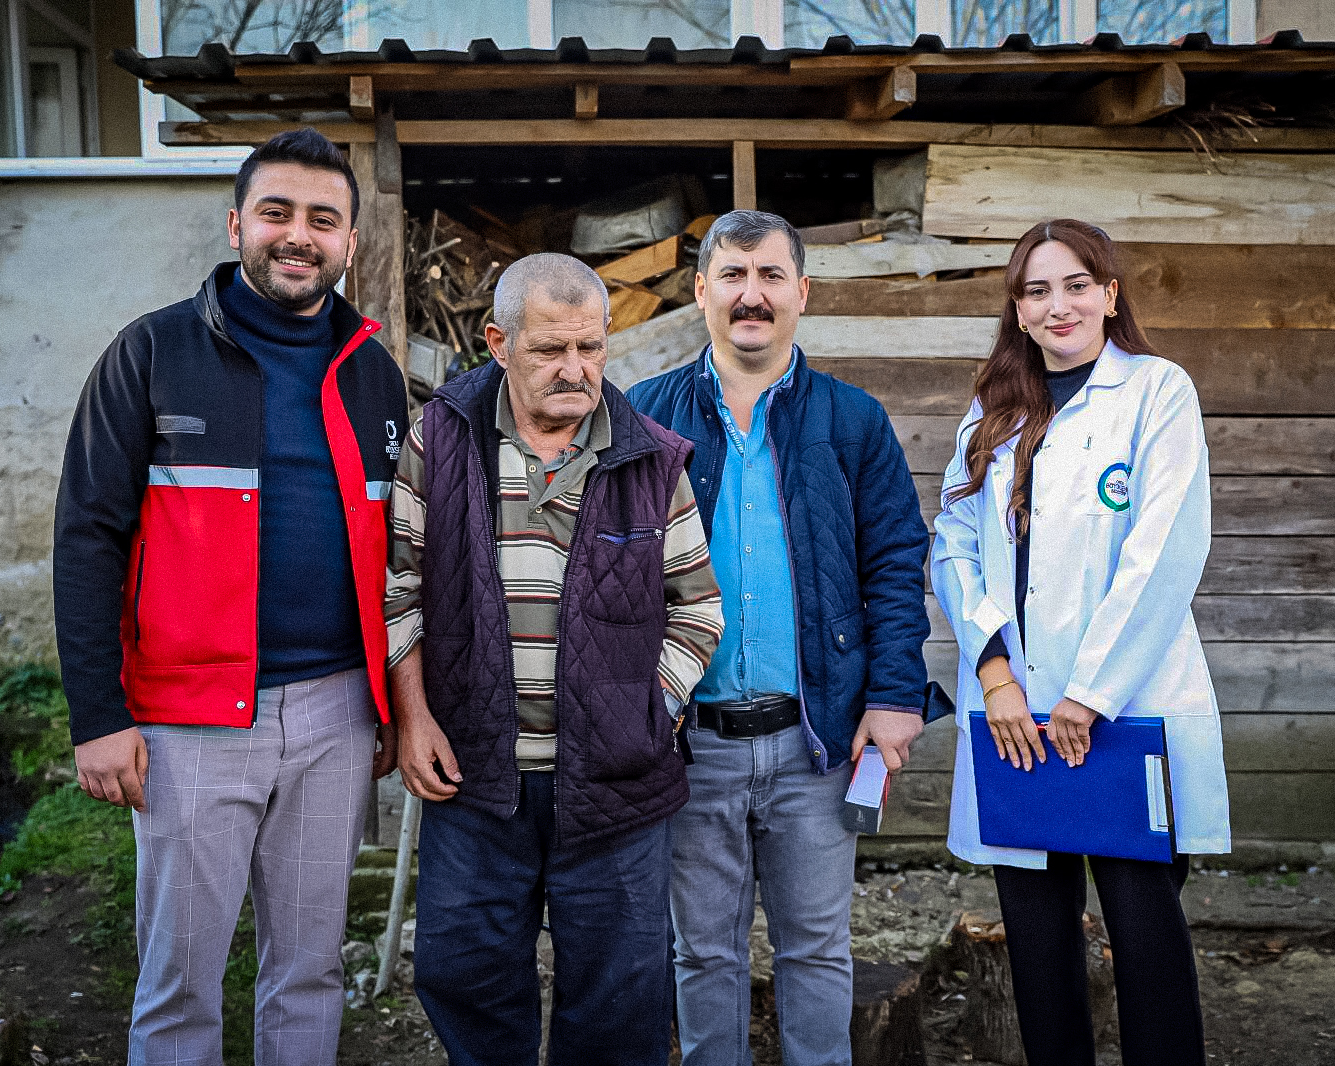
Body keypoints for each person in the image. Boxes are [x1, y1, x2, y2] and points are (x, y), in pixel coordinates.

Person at [52, 128, 407, 1065]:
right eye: (277, 212)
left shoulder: (373, 371)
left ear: (350, 242)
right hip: (189, 720)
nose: (299, 236)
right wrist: (98, 717)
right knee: (179, 984)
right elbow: (86, 538)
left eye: (323, 220)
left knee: (310, 971)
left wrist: (391, 705)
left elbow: (400, 557)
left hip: (336, 714)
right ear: (236, 223)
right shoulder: (153, 352)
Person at [385, 252, 724, 1066]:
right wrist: (414, 718)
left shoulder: (651, 458)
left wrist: (649, 711)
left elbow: (698, 609)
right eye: (550, 350)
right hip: (473, 776)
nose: (575, 369)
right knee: (466, 978)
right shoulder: (442, 438)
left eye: (590, 347)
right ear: (499, 343)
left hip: (615, 784)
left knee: (618, 1004)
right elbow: (399, 589)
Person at [629, 210, 932, 1066]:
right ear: (701, 292)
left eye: (770, 276)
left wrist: (894, 693)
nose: (751, 295)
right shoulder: (645, 417)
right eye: (733, 276)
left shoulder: (852, 420)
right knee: (703, 954)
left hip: (817, 742)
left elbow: (895, 561)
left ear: (803, 292)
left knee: (817, 952)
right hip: (691, 744)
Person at [932, 219, 1231, 1066]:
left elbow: (1164, 551)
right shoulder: (993, 410)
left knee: (1146, 937)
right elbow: (953, 544)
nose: (1056, 305)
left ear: (1109, 293)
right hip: (1016, 718)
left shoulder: (1156, 392)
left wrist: (1089, 694)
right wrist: (996, 675)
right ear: (1018, 310)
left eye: (1075, 285)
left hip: (1123, 710)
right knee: (1037, 946)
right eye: (1036, 291)